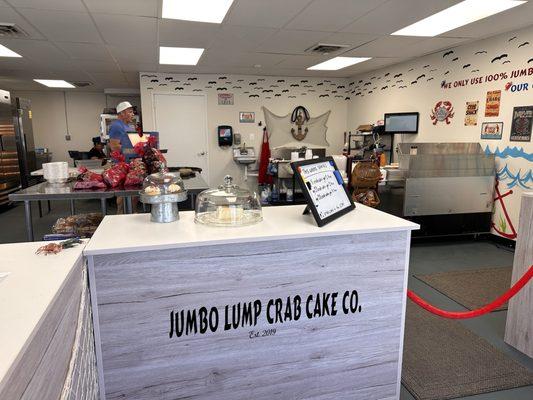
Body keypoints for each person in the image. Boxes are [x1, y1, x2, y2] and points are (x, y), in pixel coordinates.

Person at [109, 101, 138, 214]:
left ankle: (133, 213)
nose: (132, 114)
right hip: (121, 164)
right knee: (122, 192)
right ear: (122, 113)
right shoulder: (117, 125)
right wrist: (133, 149)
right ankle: (120, 215)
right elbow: (114, 146)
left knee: (133, 192)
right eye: (130, 112)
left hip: (130, 162)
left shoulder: (128, 126)